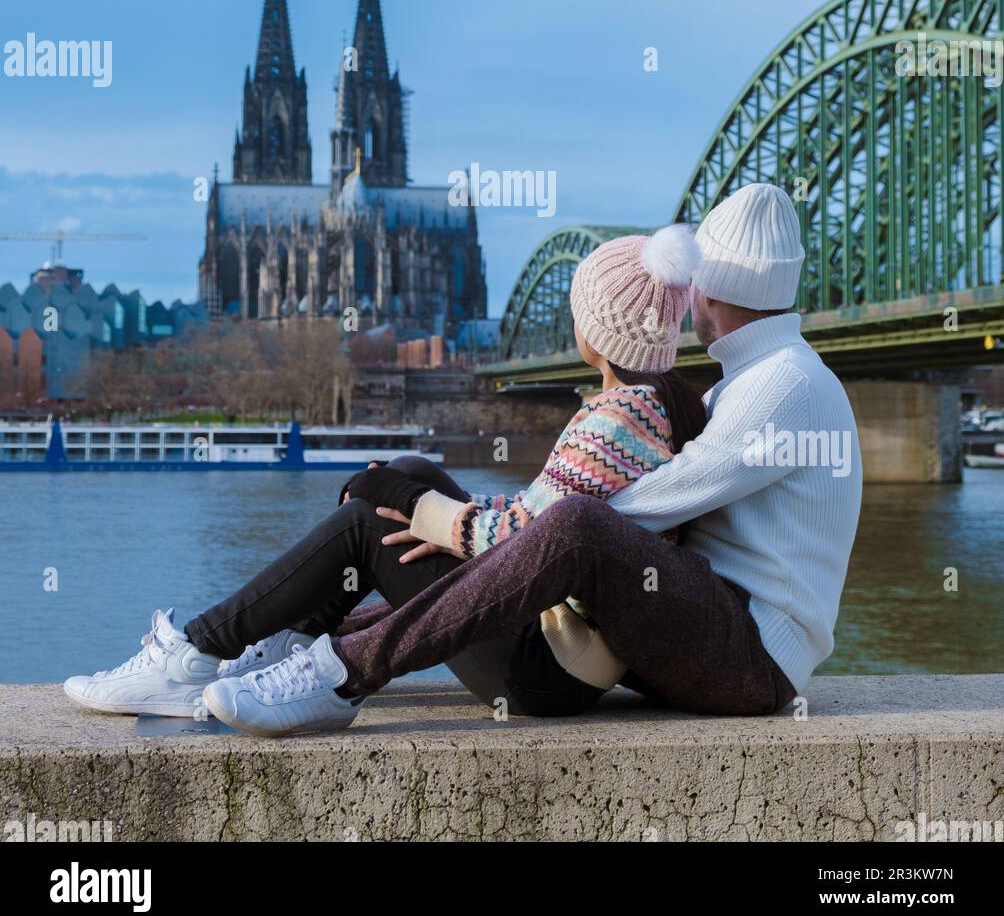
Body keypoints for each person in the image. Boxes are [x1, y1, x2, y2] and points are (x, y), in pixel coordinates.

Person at [192, 183, 862, 735]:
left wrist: (497, 530)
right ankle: (288, 646)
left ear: (707, 288)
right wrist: (487, 524)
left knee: (573, 524)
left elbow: (640, 509)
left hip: (749, 659)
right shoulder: (747, 381)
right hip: (692, 624)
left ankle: (340, 671)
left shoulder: (785, 384)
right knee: (446, 488)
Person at [63, 224, 707, 730]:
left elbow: (521, 539)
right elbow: (537, 515)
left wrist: (410, 506)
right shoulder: (651, 410)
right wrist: (418, 494)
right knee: (411, 468)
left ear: (591, 334)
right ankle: (284, 645)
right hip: (561, 648)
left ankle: (192, 653)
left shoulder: (612, 425)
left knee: (367, 522)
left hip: (544, 671)